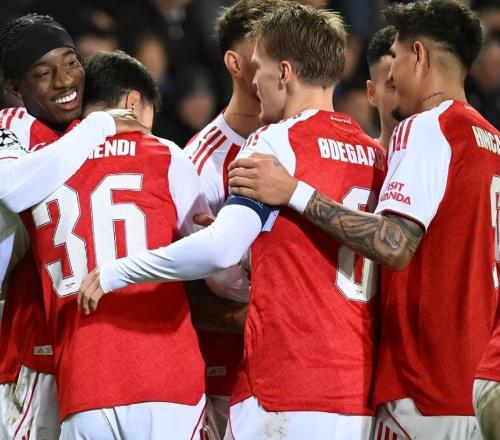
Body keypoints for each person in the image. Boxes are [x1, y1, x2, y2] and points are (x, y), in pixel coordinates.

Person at [79, 4, 386, 439]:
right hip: (358, 391)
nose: (255, 82)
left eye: (260, 67)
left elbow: (218, 250)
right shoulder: (374, 153)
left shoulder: (275, 141)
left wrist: (117, 271)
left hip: (284, 387)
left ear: (284, 73)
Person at [226, 1, 499, 438]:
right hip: (480, 378)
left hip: (424, 381)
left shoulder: (428, 126)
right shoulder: (492, 140)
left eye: (396, 57)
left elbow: (393, 244)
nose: (391, 77)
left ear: (419, 56)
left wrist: (293, 191)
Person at [0, 13, 144, 439]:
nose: (64, 81)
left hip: (91, 352)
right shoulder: (13, 127)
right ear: (15, 89)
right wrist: (99, 126)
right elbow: (12, 190)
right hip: (31, 353)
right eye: (42, 73)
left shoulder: (84, 129)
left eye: (70, 62)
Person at [183, 1, 289, 436]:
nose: (281, 63)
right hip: (229, 379)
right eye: (265, 50)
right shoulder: (200, 163)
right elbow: (196, 289)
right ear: (235, 63)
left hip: (310, 372)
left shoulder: (306, 139)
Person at [365, 25, 398, 149]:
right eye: (393, 86)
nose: (406, 94)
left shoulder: (443, 156)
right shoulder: (361, 159)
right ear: (372, 93)